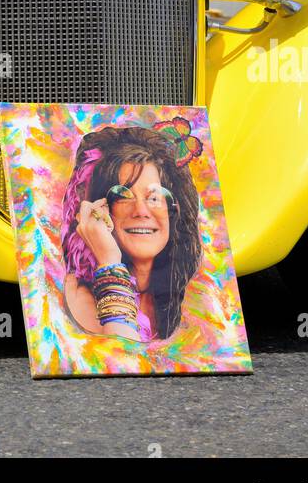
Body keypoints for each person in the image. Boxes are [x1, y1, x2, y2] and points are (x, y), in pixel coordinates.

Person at [61, 124, 202, 342]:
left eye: (154, 197)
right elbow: (125, 358)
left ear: (174, 211)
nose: (141, 211)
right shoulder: (80, 298)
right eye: (123, 196)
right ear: (102, 210)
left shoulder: (192, 296)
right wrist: (109, 262)